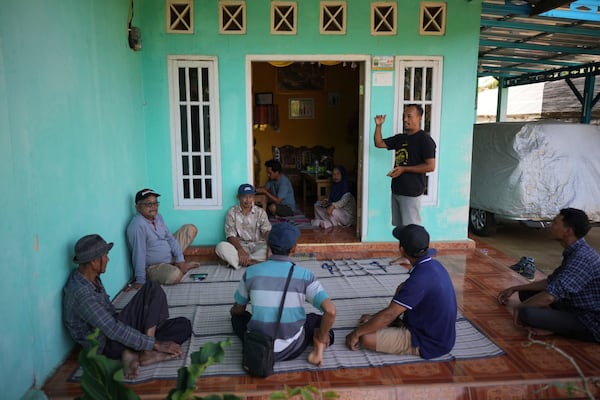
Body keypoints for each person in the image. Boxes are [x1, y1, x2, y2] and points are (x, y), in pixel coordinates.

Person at [63, 234, 192, 379]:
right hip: (106, 345)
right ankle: (146, 351)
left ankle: (135, 352)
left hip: (114, 331)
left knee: (183, 325)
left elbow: (113, 320)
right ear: (94, 261)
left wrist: (147, 326)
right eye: (105, 255)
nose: (108, 259)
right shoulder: (82, 294)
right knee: (153, 289)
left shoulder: (91, 278)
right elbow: (112, 329)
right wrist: (155, 344)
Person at [230, 222, 336, 367]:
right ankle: (319, 347)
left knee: (237, 318)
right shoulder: (305, 275)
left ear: (268, 245)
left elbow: (239, 309)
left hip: (258, 345)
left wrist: (236, 311)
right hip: (293, 348)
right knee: (319, 321)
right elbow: (330, 311)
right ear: (294, 249)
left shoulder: (251, 272)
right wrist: (323, 335)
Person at [345, 224, 457, 359]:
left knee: (366, 337)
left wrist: (356, 334)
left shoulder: (419, 280)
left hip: (429, 341)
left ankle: (395, 326)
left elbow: (389, 314)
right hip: (435, 331)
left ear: (402, 250)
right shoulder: (433, 265)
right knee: (402, 288)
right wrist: (375, 318)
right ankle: (393, 322)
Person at [497, 208, 600, 342]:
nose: (551, 226)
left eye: (556, 223)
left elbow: (548, 297)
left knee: (527, 313)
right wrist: (515, 288)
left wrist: (519, 308)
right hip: (574, 305)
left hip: (590, 321)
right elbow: (551, 282)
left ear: (568, 231)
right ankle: (553, 321)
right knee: (525, 294)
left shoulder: (582, 258)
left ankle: (554, 328)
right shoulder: (576, 250)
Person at [373, 104, 436, 228]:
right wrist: (378, 126)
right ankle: (403, 248)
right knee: (400, 229)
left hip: (411, 193)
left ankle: (413, 248)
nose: (405, 119)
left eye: (409, 116)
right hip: (397, 190)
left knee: (411, 230)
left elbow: (430, 166)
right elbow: (379, 143)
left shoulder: (425, 140)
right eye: (404, 116)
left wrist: (404, 169)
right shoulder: (401, 138)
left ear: (419, 118)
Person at [126, 188, 199, 289]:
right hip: (154, 266)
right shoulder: (138, 225)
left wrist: (180, 259)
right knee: (175, 276)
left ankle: (177, 264)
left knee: (191, 229)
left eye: (155, 203)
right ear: (137, 207)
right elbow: (139, 253)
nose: (153, 207)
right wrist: (140, 280)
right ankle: (177, 268)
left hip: (169, 255)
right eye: (148, 204)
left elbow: (170, 238)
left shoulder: (158, 217)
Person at [215, 183, 271, 269]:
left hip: (258, 246)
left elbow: (267, 231)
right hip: (239, 247)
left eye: (250, 196)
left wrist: (270, 247)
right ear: (238, 197)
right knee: (220, 247)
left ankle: (242, 262)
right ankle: (253, 262)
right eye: (244, 197)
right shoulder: (232, 212)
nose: (248, 200)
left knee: (274, 248)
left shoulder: (260, 212)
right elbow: (230, 236)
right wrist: (240, 250)